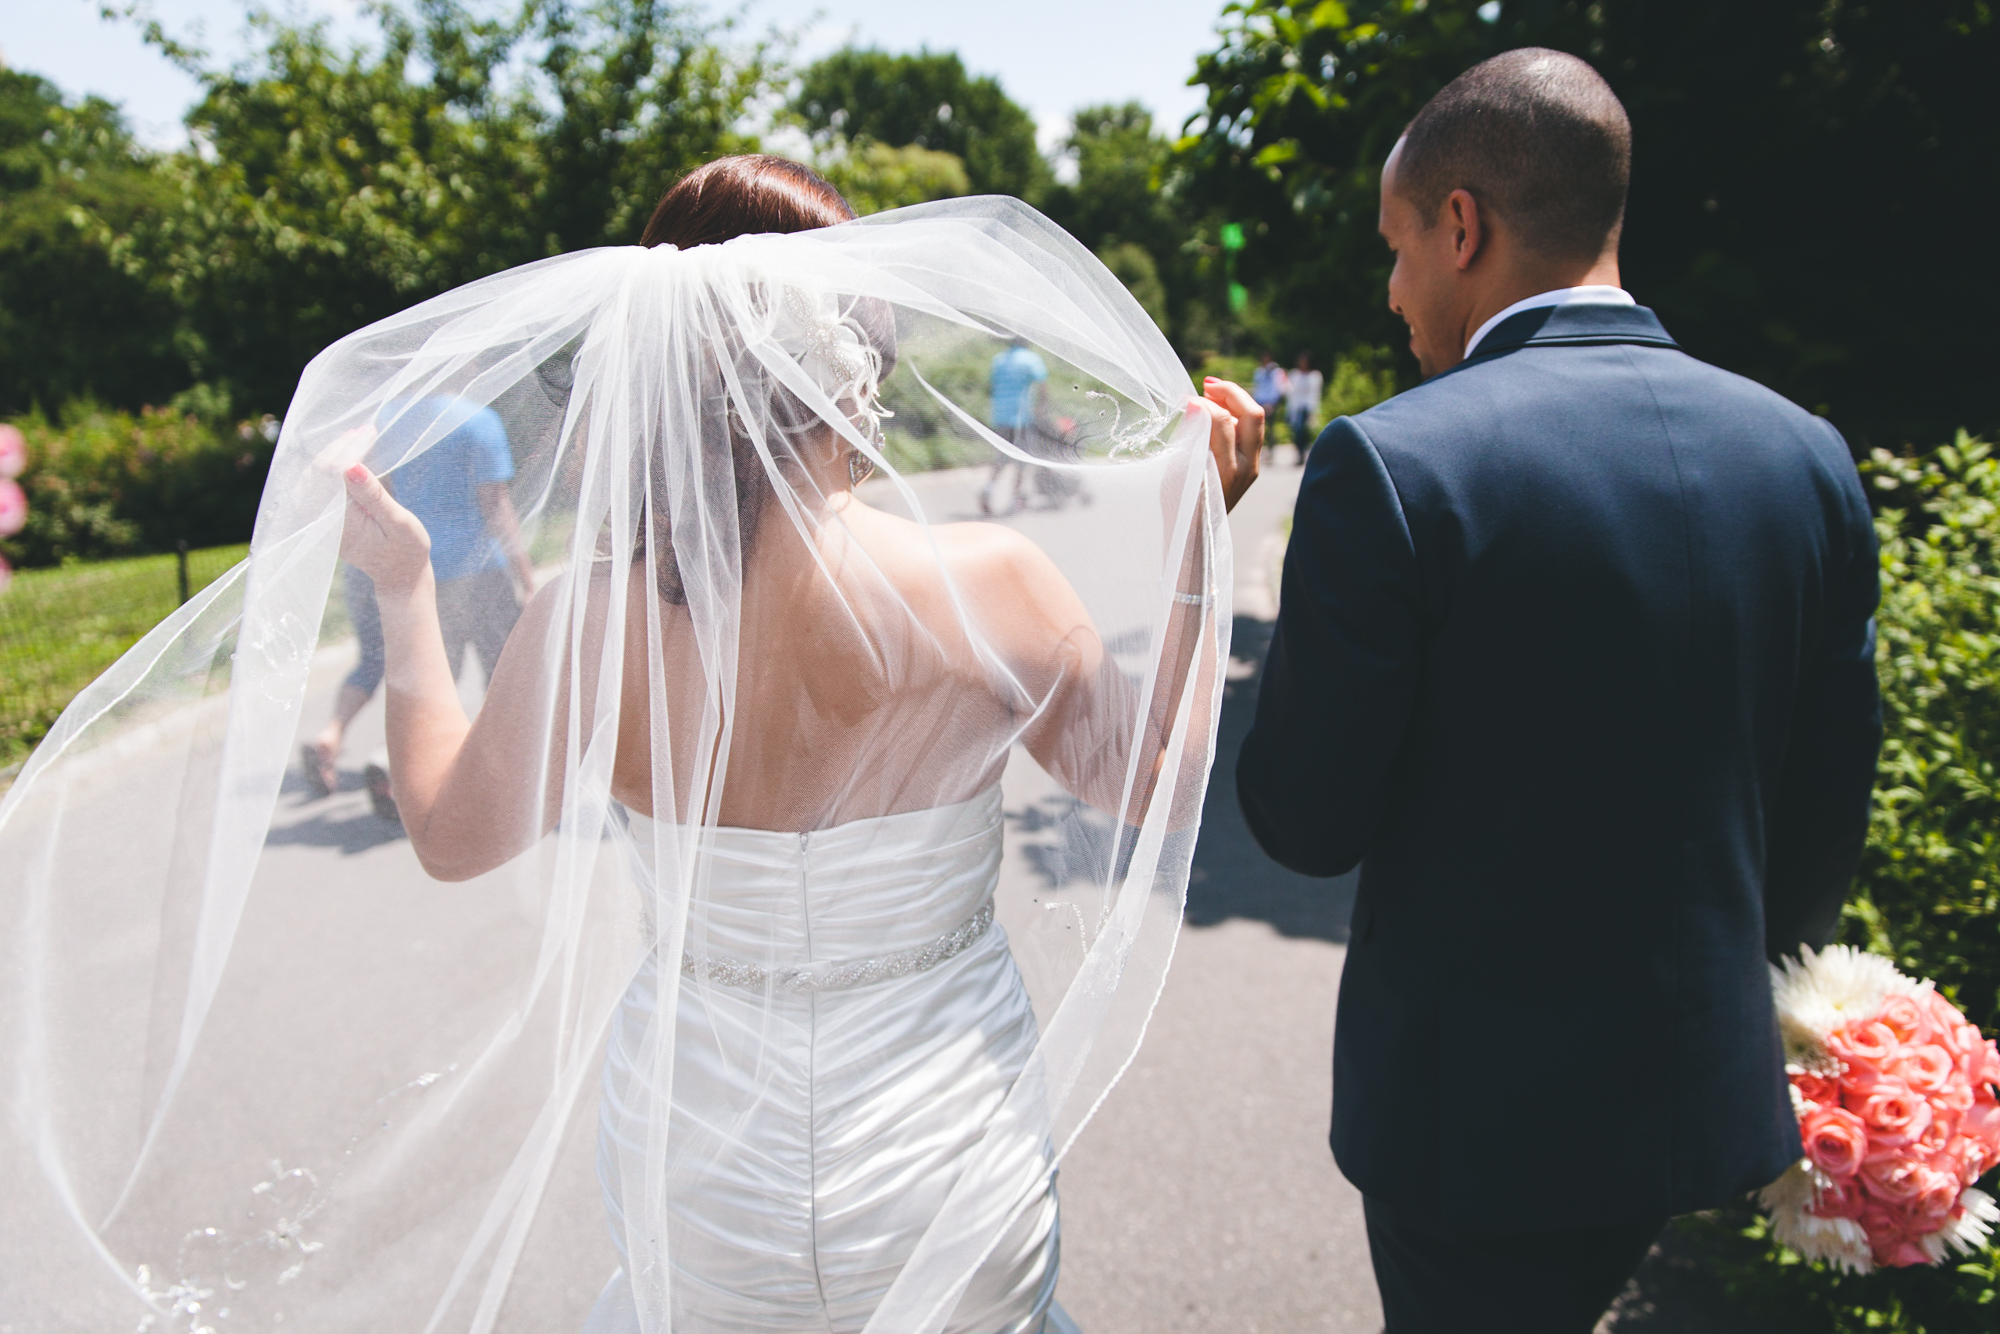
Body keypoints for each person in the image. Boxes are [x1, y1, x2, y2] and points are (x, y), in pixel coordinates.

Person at [0, 156, 1261, 1333]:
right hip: (947, 1151)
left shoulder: (585, 619)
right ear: (858, 351)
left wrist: (400, 585)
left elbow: (446, 832)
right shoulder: (993, 584)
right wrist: (1199, 555)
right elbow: (1149, 787)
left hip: (702, 1163)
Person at [1236, 50, 1879, 1334]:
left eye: (1396, 245)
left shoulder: (1395, 462)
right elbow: (1824, 810)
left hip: (1467, 1128)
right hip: (1699, 1097)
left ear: (1459, 223)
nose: (1390, 289)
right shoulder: (1801, 454)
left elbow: (1305, 821)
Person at [300, 398, 535, 810]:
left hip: (420, 572)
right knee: (504, 676)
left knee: (432, 680)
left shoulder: (387, 425)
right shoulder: (479, 421)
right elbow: (496, 503)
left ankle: (388, 759)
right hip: (480, 573)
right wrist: (526, 577)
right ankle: (506, 777)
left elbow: (381, 495)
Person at [982, 336, 1049, 514]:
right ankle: (1016, 497)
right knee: (1022, 458)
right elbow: (1042, 385)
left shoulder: (999, 359)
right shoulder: (1030, 359)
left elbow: (990, 386)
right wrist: (1042, 407)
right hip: (1021, 416)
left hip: (999, 415)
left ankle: (988, 489)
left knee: (1001, 457)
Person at [1251, 352, 1289, 459]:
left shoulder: (1277, 372)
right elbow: (1258, 388)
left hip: (1271, 403)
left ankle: (1271, 450)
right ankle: (1261, 450)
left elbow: (1278, 388)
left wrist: (1272, 403)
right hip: (1260, 402)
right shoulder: (1259, 372)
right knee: (1259, 428)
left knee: (1270, 428)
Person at [1284, 351, 1323, 450]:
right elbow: (1289, 390)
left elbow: (1316, 393)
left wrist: (1314, 410)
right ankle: (1299, 451)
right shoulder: (1294, 374)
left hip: (1307, 406)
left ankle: (1304, 450)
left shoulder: (1315, 375)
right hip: (1296, 407)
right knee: (1297, 430)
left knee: (1304, 430)